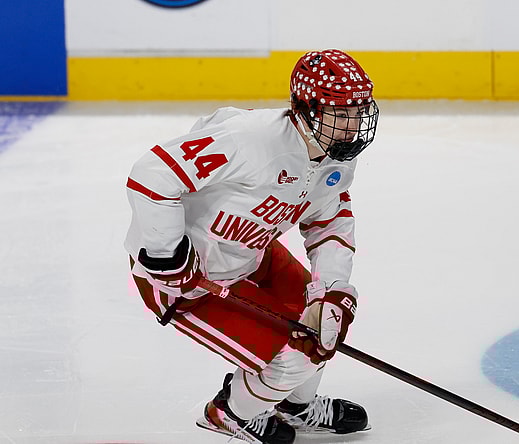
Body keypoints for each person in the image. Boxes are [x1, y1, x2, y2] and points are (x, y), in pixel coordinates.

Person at [124, 49, 379, 444]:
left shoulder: (336, 159)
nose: (352, 128)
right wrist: (166, 255)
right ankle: (229, 414)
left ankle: (296, 408)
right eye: (341, 114)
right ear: (307, 109)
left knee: (327, 322)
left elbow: (329, 222)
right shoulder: (250, 139)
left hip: (252, 255)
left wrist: (327, 290)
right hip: (186, 281)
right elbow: (152, 176)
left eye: (358, 113)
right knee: (294, 356)